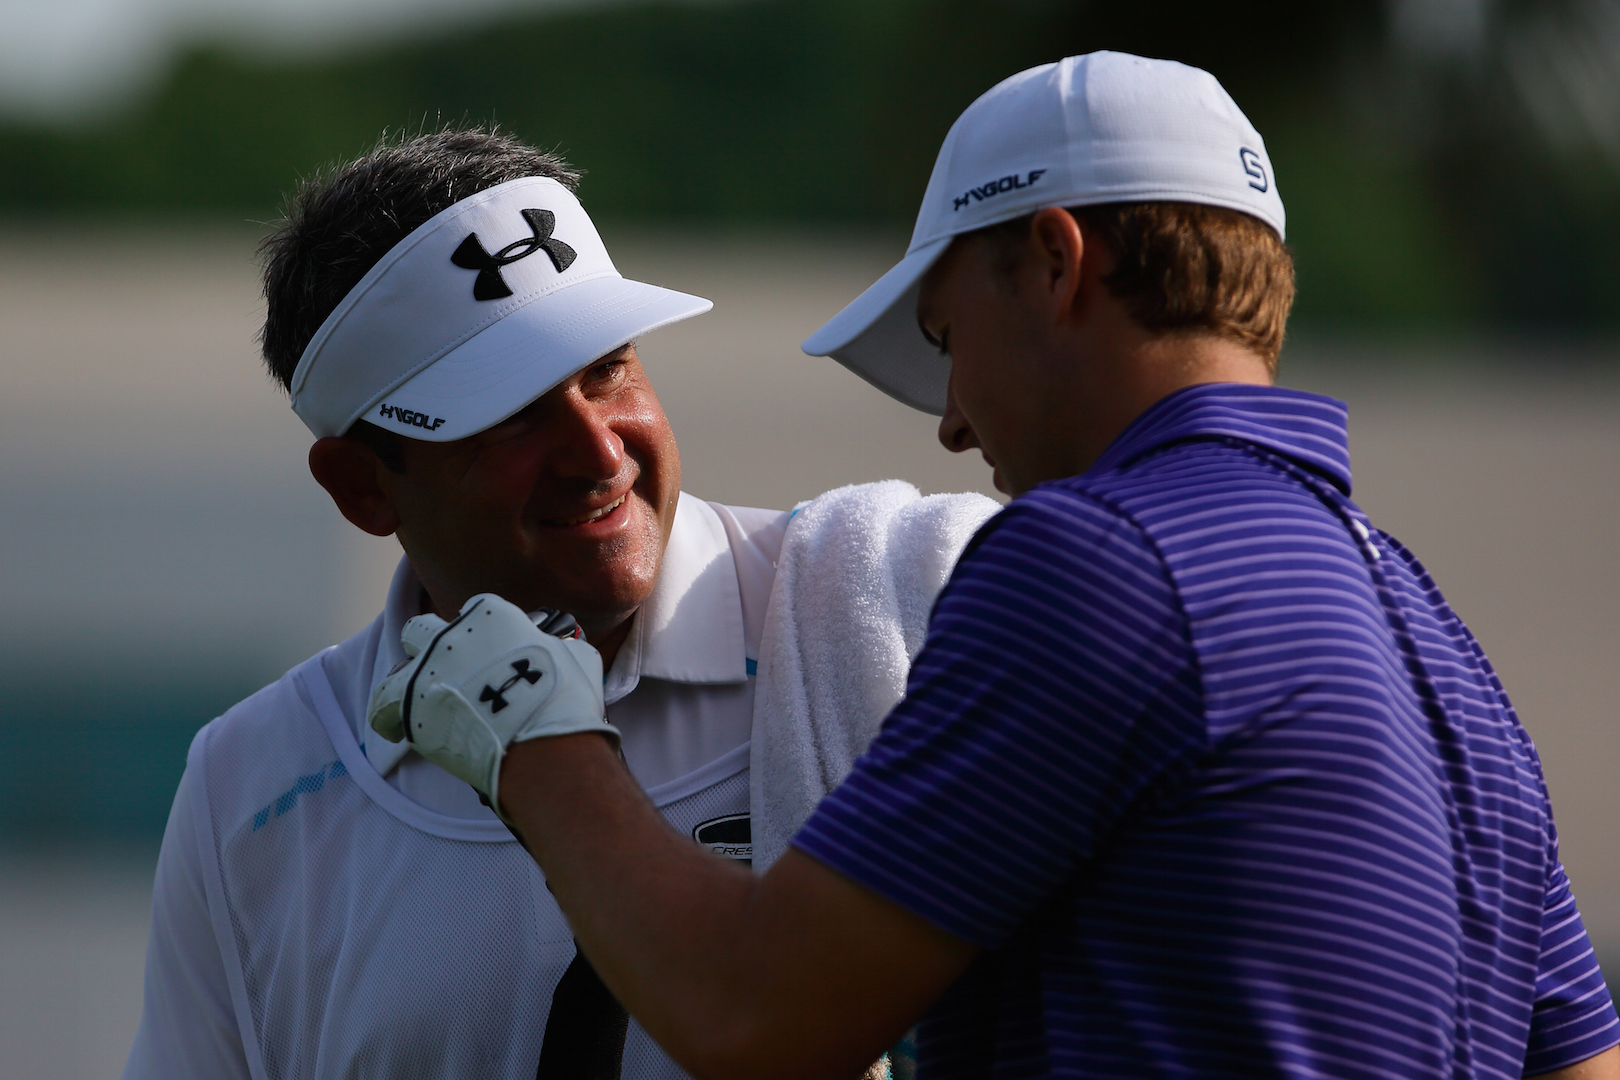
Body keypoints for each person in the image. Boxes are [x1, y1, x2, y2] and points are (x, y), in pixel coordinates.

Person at [377, 53, 1620, 1080]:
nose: (953, 424)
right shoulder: (1430, 628)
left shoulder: (1098, 561)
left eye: (946, 338)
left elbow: (751, 1019)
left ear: (1056, 261)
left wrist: (532, 738)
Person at [122, 127, 994, 1079]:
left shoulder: (909, 603)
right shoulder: (249, 785)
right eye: (509, 416)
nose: (598, 451)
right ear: (363, 488)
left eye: (607, 367)